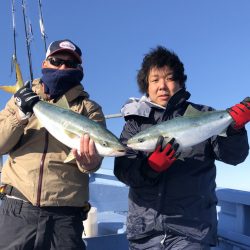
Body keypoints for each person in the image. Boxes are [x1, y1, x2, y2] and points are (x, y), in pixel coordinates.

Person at [114, 46, 250, 250]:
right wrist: (149, 168)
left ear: (180, 82)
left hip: (191, 231)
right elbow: (123, 170)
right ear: (146, 86)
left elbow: (234, 156)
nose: (162, 86)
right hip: (144, 232)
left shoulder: (203, 114)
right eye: (154, 80)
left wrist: (235, 129)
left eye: (169, 78)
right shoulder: (136, 124)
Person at [0, 39, 105, 250]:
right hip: (17, 208)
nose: (63, 67)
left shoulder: (90, 108)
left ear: (79, 69)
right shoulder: (21, 99)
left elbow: (93, 161)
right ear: (45, 63)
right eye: (57, 61)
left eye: (71, 64)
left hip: (65, 216)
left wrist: (91, 162)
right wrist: (20, 115)